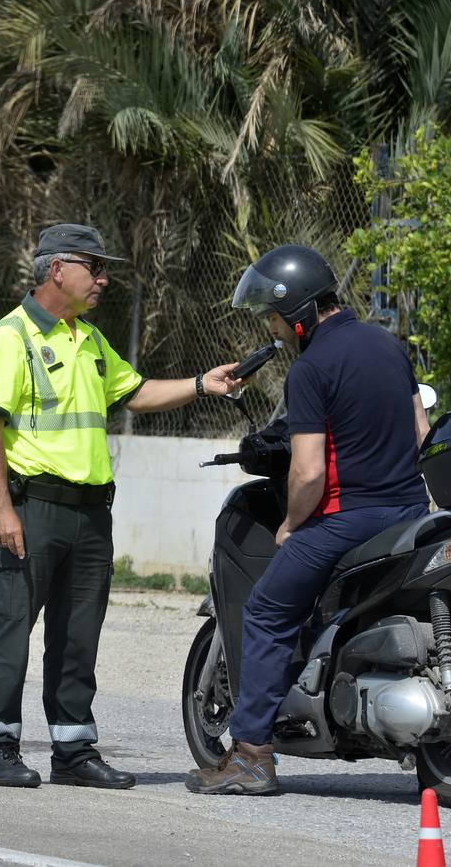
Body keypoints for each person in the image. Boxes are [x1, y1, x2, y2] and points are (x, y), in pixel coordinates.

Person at [0, 223, 243, 789]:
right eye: (92, 267)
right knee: (12, 628)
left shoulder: (88, 339)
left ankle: (72, 752)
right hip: (34, 506)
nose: (103, 278)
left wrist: (202, 384)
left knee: (78, 635)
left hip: (91, 513)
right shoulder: (11, 337)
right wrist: (2, 508)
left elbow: (137, 392)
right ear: (56, 270)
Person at [185, 244, 432, 795]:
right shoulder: (389, 346)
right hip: (410, 512)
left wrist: (293, 525)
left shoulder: (313, 368)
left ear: (295, 312)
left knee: (267, 612)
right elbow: (422, 433)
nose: (272, 330)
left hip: (348, 518)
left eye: (273, 318)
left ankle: (250, 756)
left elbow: (308, 473)